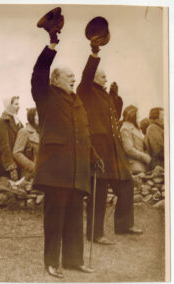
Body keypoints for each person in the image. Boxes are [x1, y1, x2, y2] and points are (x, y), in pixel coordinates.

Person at [31, 30, 95, 278]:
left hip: (77, 170)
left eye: (73, 76)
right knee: (55, 219)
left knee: (74, 218)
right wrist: (52, 45)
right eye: (68, 76)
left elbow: (83, 135)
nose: (73, 79)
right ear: (55, 79)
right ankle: (51, 262)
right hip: (56, 171)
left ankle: (73, 260)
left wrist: (95, 158)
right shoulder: (45, 95)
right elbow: (38, 73)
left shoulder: (77, 101)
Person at [77, 41, 143, 247]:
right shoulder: (85, 90)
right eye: (103, 76)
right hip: (98, 151)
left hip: (114, 152)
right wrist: (94, 54)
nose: (106, 79)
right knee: (99, 193)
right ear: (95, 77)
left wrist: (115, 96)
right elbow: (87, 74)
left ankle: (123, 225)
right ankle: (95, 234)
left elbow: (114, 113)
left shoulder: (104, 94)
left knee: (127, 184)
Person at [0, 96, 23, 181]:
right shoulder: (1, 122)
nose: (19, 106)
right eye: (16, 104)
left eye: (18, 104)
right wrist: (11, 167)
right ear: (9, 105)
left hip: (19, 164)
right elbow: (4, 146)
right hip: (9, 168)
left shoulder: (18, 121)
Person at [120, 105, 151, 174]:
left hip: (143, 164)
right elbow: (129, 149)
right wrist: (145, 157)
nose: (139, 116)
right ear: (133, 116)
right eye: (138, 114)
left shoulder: (136, 127)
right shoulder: (125, 129)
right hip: (135, 165)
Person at [13, 107, 39, 180]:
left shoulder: (39, 133)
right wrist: (33, 167)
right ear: (31, 117)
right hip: (28, 175)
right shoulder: (24, 131)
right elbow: (17, 153)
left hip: (39, 175)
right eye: (37, 115)